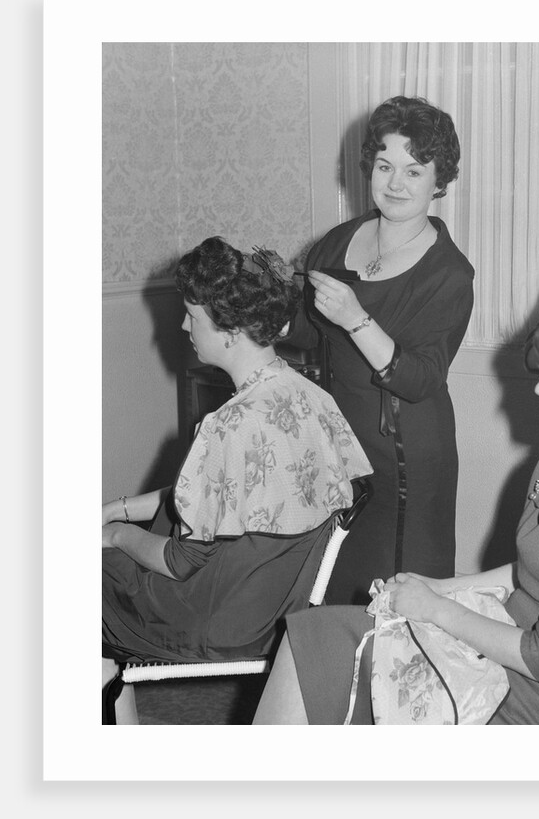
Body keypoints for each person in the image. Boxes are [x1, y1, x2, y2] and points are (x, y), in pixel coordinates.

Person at [253, 292, 539, 725]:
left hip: (531, 698)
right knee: (310, 639)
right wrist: (441, 587)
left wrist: (436, 609)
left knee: (327, 665)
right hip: (497, 641)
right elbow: (533, 572)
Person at [102, 236, 372, 723]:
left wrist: (118, 534)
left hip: (219, 620)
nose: (184, 326)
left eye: (193, 316)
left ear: (229, 331)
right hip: (274, 606)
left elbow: (179, 562)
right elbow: (216, 498)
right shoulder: (312, 398)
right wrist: (117, 509)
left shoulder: (228, 426)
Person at [285, 95, 475, 605]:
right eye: (385, 166)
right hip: (340, 446)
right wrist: (269, 317)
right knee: (335, 592)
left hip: (408, 458)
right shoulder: (337, 242)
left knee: (400, 604)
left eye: (414, 171)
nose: (395, 183)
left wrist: (356, 317)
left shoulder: (449, 273)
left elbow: (420, 379)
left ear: (439, 181)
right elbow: (311, 332)